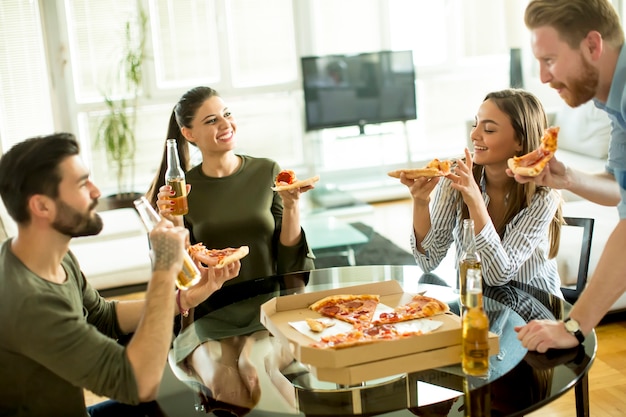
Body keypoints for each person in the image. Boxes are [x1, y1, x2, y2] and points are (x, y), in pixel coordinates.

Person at [0, 133, 240, 416]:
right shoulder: (29, 301)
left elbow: (103, 316)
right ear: (41, 206)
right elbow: (139, 384)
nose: (96, 191)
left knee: (193, 399)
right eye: (81, 183)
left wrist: (184, 299)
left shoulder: (52, 256)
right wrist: (164, 269)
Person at [513, 0, 626, 353]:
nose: (544, 77)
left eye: (549, 60)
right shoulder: (615, 103)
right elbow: (619, 190)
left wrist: (573, 326)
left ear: (593, 45)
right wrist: (568, 178)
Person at [146, 86, 315, 304]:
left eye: (227, 114)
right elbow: (184, 273)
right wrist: (172, 218)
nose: (226, 125)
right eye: (211, 121)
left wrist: (292, 205)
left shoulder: (267, 171)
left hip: (270, 305)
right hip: (212, 311)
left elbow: (290, 260)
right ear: (189, 133)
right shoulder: (181, 189)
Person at [404, 88, 564, 296]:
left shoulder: (543, 196)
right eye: (475, 124)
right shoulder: (457, 173)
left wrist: (475, 201)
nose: (474, 135)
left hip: (534, 311)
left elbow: (498, 276)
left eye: (488, 130)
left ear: (520, 141)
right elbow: (428, 261)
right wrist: (421, 202)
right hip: (477, 304)